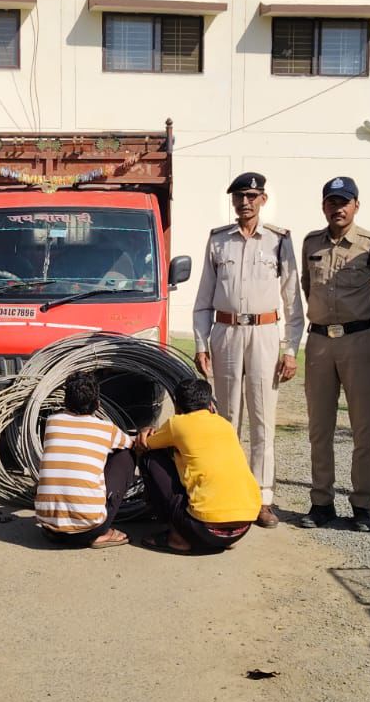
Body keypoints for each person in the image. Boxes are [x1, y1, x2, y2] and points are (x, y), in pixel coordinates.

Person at [192, 172, 303, 529]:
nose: (245, 202)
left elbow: (293, 302)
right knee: (227, 419)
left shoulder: (279, 240)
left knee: (262, 418)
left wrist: (290, 349)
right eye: (240, 196)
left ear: (263, 199)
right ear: (233, 200)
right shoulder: (218, 240)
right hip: (225, 333)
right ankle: (229, 491)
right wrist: (200, 343)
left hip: (265, 334)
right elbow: (203, 300)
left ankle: (262, 497)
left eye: (252, 196)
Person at [296, 175, 370, 532]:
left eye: (344, 202)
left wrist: (368, 322)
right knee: (319, 427)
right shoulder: (311, 242)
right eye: (331, 202)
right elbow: (308, 287)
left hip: (359, 342)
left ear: (356, 205)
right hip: (320, 342)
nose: (337, 208)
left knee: (362, 428)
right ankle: (321, 502)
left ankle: (362, 505)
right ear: (323, 205)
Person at [133, 378, 262, 554]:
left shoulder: (177, 423)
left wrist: (144, 430)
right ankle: (222, 539)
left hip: (203, 529)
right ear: (210, 405)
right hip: (242, 528)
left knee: (150, 458)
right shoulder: (225, 424)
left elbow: (144, 444)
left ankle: (178, 538)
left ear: (177, 407)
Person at [33, 370, 136, 549]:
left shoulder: (52, 422)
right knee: (126, 455)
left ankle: (66, 521)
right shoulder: (106, 429)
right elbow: (133, 445)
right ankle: (102, 533)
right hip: (89, 530)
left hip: (48, 527)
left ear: (65, 401)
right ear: (97, 404)